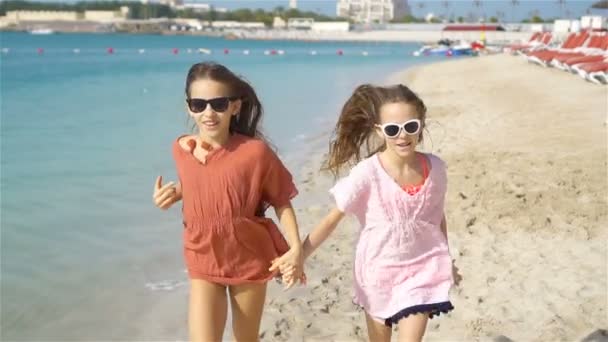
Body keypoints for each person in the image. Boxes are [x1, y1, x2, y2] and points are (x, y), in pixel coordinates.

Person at [272, 84, 460, 342]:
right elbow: (331, 220)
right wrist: (300, 256)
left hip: (423, 269)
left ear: (421, 125)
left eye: (410, 126)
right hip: (378, 272)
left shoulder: (436, 168)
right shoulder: (367, 173)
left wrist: (445, 259)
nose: (402, 136)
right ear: (379, 131)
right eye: (393, 129)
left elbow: (437, 217)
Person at [154, 62, 304, 342]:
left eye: (218, 104)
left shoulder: (255, 152)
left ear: (235, 107)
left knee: (245, 338)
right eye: (199, 104)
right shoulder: (181, 149)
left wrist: (295, 248)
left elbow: (281, 200)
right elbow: (205, 180)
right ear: (189, 107)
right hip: (202, 255)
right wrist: (175, 194)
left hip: (246, 255)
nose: (208, 113)